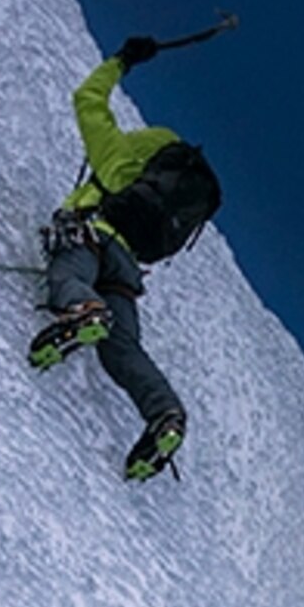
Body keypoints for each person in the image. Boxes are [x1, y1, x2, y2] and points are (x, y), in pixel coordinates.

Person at [29, 34, 206, 482]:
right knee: (123, 349)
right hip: (127, 270)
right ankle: (165, 412)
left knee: (69, 274)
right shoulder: (167, 200)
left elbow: (87, 98)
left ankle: (83, 308)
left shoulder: (119, 161)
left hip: (92, 234)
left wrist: (124, 60)